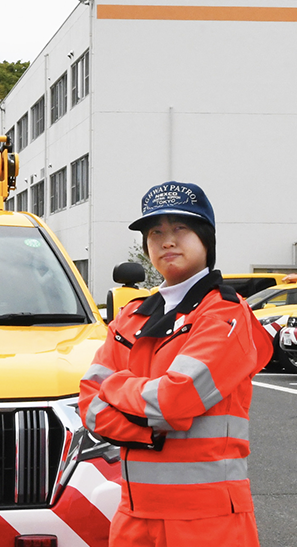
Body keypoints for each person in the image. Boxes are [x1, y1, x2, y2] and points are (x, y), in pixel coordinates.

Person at [79, 181, 271, 546]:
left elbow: (174, 400)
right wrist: (153, 429)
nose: (167, 240)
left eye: (180, 228)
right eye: (156, 232)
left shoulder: (226, 314)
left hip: (208, 521)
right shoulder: (132, 316)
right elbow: (90, 405)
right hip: (134, 516)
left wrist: (117, 386)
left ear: (205, 239)